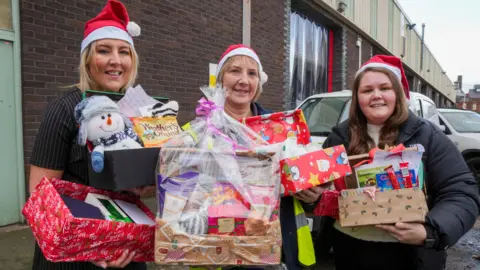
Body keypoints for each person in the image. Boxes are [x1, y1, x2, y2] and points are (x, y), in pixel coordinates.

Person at [322, 55, 480, 270]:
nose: (376, 95)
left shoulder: (427, 135)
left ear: (398, 93)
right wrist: (312, 198)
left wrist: (430, 231)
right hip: (350, 250)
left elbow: (461, 192)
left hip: (411, 255)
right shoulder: (339, 138)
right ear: (357, 98)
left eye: (385, 88)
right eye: (367, 90)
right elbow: (323, 195)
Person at [28, 0, 148, 269]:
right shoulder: (66, 108)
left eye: (124, 52)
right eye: (104, 51)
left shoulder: (139, 111)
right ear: (87, 59)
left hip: (126, 246)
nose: (116, 61)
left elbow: (145, 181)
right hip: (72, 253)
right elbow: (39, 194)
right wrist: (86, 245)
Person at [213, 44, 330, 270]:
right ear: (220, 78)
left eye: (252, 73)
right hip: (219, 251)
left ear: (259, 82)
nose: (244, 80)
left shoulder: (282, 128)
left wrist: (312, 195)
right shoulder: (200, 130)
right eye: (234, 71)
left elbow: (305, 177)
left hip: (278, 249)